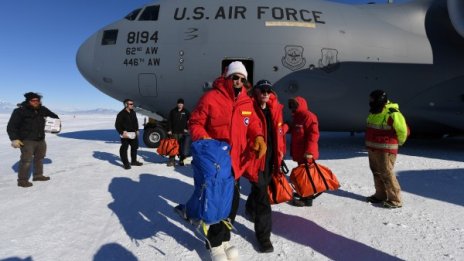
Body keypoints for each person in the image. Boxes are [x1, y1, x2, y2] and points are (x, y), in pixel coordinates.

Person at [180, 61, 266, 261]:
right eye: (235, 77)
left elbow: (253, 123)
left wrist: (259, 137)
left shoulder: (247, 102)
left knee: (232, 203)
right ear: (227, 77)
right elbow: (195, 122)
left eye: (242, 78)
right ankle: (214, 243)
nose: (238, 81)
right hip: (216, 162)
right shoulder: (211, 98)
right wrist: (205, 140)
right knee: (216, 203)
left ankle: (224, 237)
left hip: (235, 163)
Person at [245, 80, 287, 253]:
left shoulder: (275, 109)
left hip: (271, 161)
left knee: (260, 189)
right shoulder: (249, 109)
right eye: (262, 90)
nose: (265, 93)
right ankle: (264, 238)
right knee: (264, 200)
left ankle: (249, 208)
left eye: (268, 90)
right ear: (256, 92)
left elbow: (279, 135)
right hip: (257, 161)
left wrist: (281, 154)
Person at [365, 89, 408, 209]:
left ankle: (395, 199)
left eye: (372, 99)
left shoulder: (392, 112)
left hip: (386, 149)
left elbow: (402, 130)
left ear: (379, 100)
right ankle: (380, 195)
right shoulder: (374, 111)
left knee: (386, 173)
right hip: (373, 148)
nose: (370, 102)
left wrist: (398, 143)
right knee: (376, 172)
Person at [7, 92, 59, 188]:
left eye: (37, 100)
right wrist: (14, 139)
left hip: (40, 140)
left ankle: (38, 176)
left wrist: (54, 125)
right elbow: (11, 126)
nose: (36, 102)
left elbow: (54, 117)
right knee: (26, 160)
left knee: (39, 158)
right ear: (28, 101)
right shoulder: (20, 111)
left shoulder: (42, 109)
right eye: (33, 100)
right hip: (26, 140)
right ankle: (22, 180)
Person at [287, 96, 320, 207]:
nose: (292, 107)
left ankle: (307, 199)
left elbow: (313, 135)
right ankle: (304, 193)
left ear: (300, 105)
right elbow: (295, 130)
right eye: (291, 105)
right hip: (300, 152)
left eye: (295, 105)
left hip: (306, 154)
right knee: (303, 176)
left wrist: (309, 151)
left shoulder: (309, 117)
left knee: (307, 177)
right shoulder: (297, 117)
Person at [115, 98, 143, 170]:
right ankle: (126, 164)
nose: (132, 105)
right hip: (125, 134)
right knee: (124, 148)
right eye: (131, 104)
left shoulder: (133, 112)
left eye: (133, 104)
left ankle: (133, 161)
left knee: (134, 147)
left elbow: (135, 122)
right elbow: (117, 125)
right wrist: (122, 132)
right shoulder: (121, 114)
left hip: (133, 133)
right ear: (126, 105)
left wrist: (137, 130)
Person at [166, 98, 190, 167]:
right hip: (174, 132)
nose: (180, 105)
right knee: (173, 146)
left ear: (183, 104)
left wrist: (187, 129)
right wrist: (169, 130)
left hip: (182, 133)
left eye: (181, 104)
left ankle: (181, 160)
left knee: (182, 147)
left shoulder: (186, 112)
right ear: (177, 104)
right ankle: (171, 160)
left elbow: (190, 121)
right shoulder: (173, 111)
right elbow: (169, 121)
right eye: (179, 103)